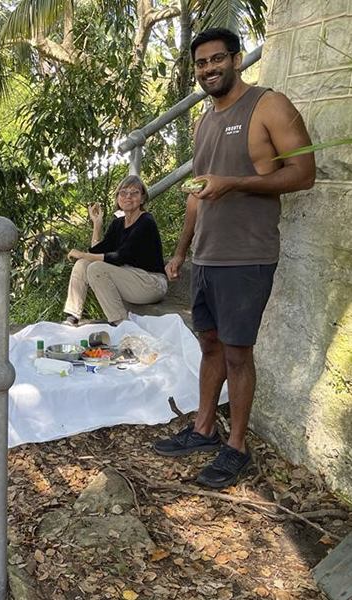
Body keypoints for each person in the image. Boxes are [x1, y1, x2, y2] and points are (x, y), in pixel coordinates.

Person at [154, 28, 315, 488]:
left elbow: (304, 174)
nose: (208, 69)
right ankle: (203, 429)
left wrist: (236, 182)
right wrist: (182, 250)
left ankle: (236, 447)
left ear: (237, 58)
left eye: (216, 59)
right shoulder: (203, 122)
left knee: (239, 353)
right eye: (200, 63)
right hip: (206, 256)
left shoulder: (269, 105)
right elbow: (197, 193)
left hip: (247, 255)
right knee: (209, 345)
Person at [62, 175, 167, 326]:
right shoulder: (118, 223)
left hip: (152, 283)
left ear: (143, 198)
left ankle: (120, 323)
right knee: (83, 264)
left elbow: (118, 257)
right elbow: (97, 250)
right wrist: (97, 223)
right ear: (118, 197)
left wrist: (82, 254)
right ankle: (72, 317)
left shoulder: (146, 222)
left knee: (95, 267)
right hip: (129, 278)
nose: (128, 197)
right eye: (123, 193)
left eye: (134, 192)